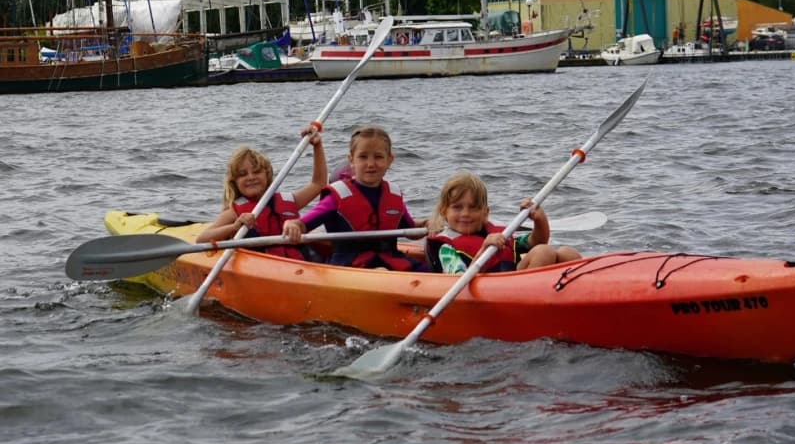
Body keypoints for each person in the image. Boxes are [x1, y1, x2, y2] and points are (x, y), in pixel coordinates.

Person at [285, 125, 427, 270]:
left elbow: (410, 230)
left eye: (378, 157)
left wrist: (427, 224)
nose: (371, 164)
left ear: (389, 160)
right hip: (350, 265)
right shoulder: (337, 197)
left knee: (427, 270)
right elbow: (303, 224)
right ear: (351, 160)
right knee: (380, 271)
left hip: (390, 259)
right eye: (363, 157)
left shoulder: (393, 194)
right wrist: (293, 225)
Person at [195, 126, 327, 260]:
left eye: (257, 171)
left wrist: (317, 146)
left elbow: (318, 184)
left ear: (267, 175)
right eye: (242, 174)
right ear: (235, 182)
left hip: (298, 265)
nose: (251, 177)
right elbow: (202, 239)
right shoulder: (233, 213)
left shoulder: (289, 201)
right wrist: (234, 227)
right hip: (260, 267)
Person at [426, 171, 581, 273]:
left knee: (567, 253)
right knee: (543, 252)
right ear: (444, 212)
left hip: (512, 282)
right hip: (492, 293)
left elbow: (537, 241)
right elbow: (459, 283)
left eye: (473, 208)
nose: (465, 213)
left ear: (485, 213)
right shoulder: (446, 249)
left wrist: (539, 219)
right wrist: (484, 250)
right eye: (457, 207)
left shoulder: (497, 235)